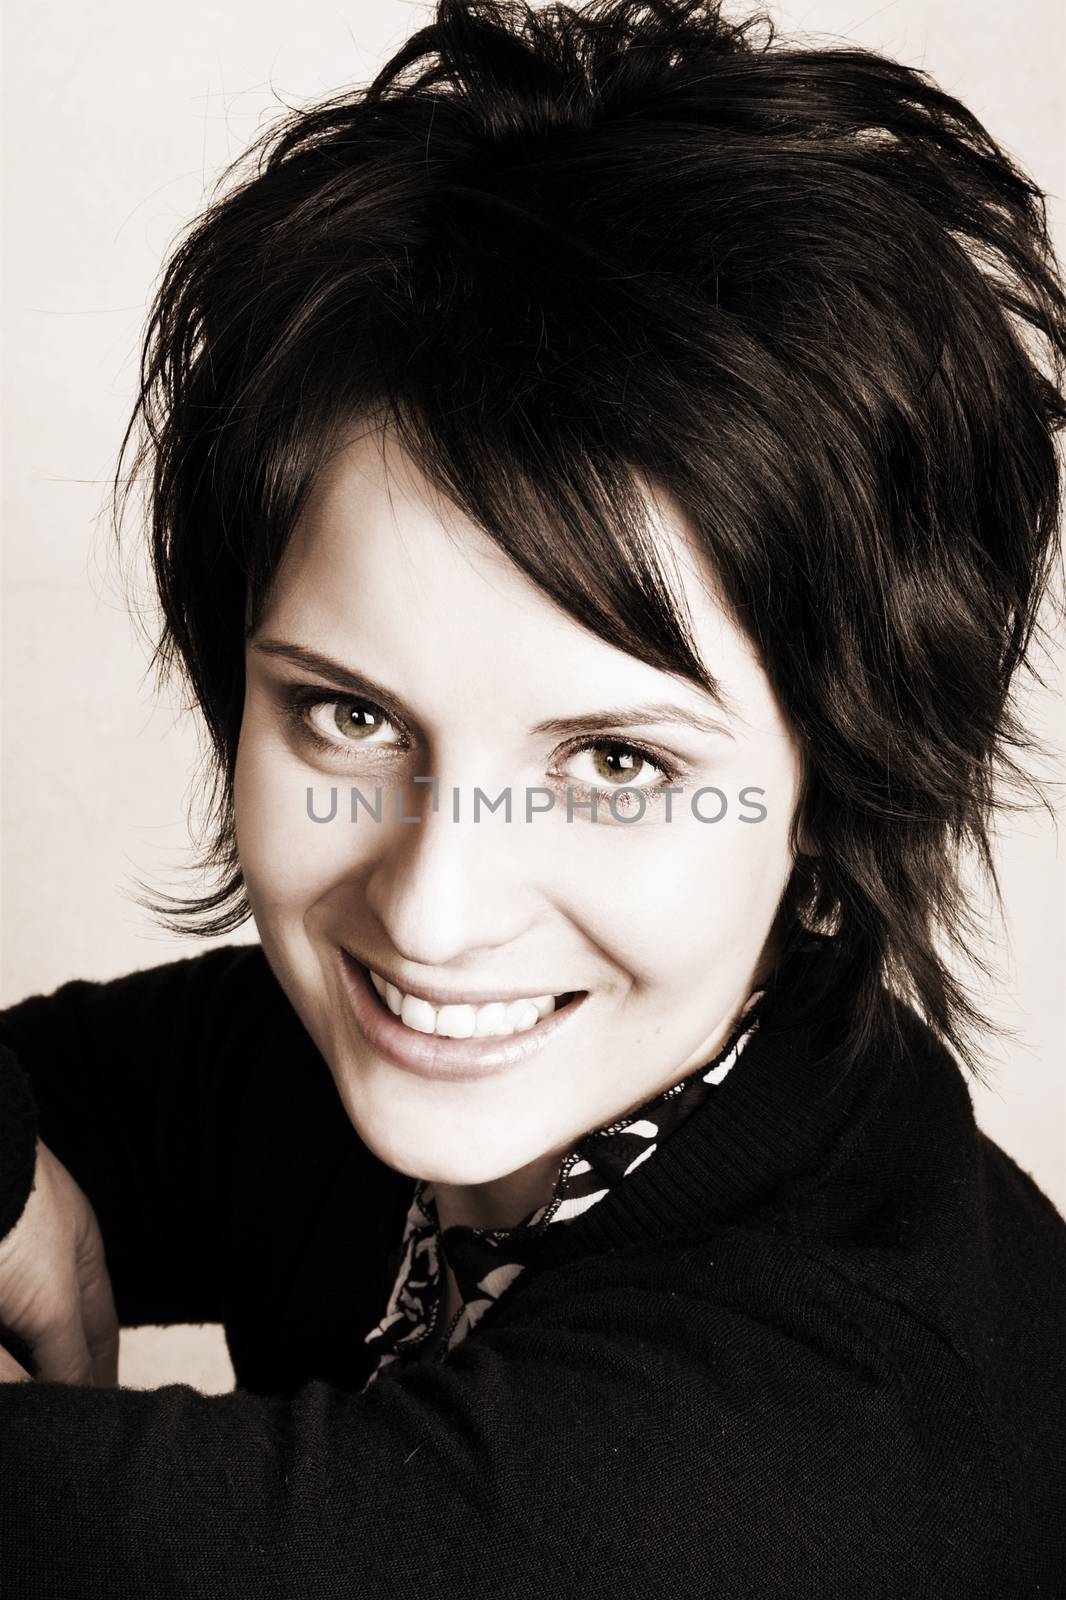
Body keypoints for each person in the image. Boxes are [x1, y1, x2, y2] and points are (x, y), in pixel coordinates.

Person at [1, 0, 1064, 1593]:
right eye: (347, 715)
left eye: (616, 762)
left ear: (834, 789)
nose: (433, 909)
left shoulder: (786, 1455)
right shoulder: (454, 1063)